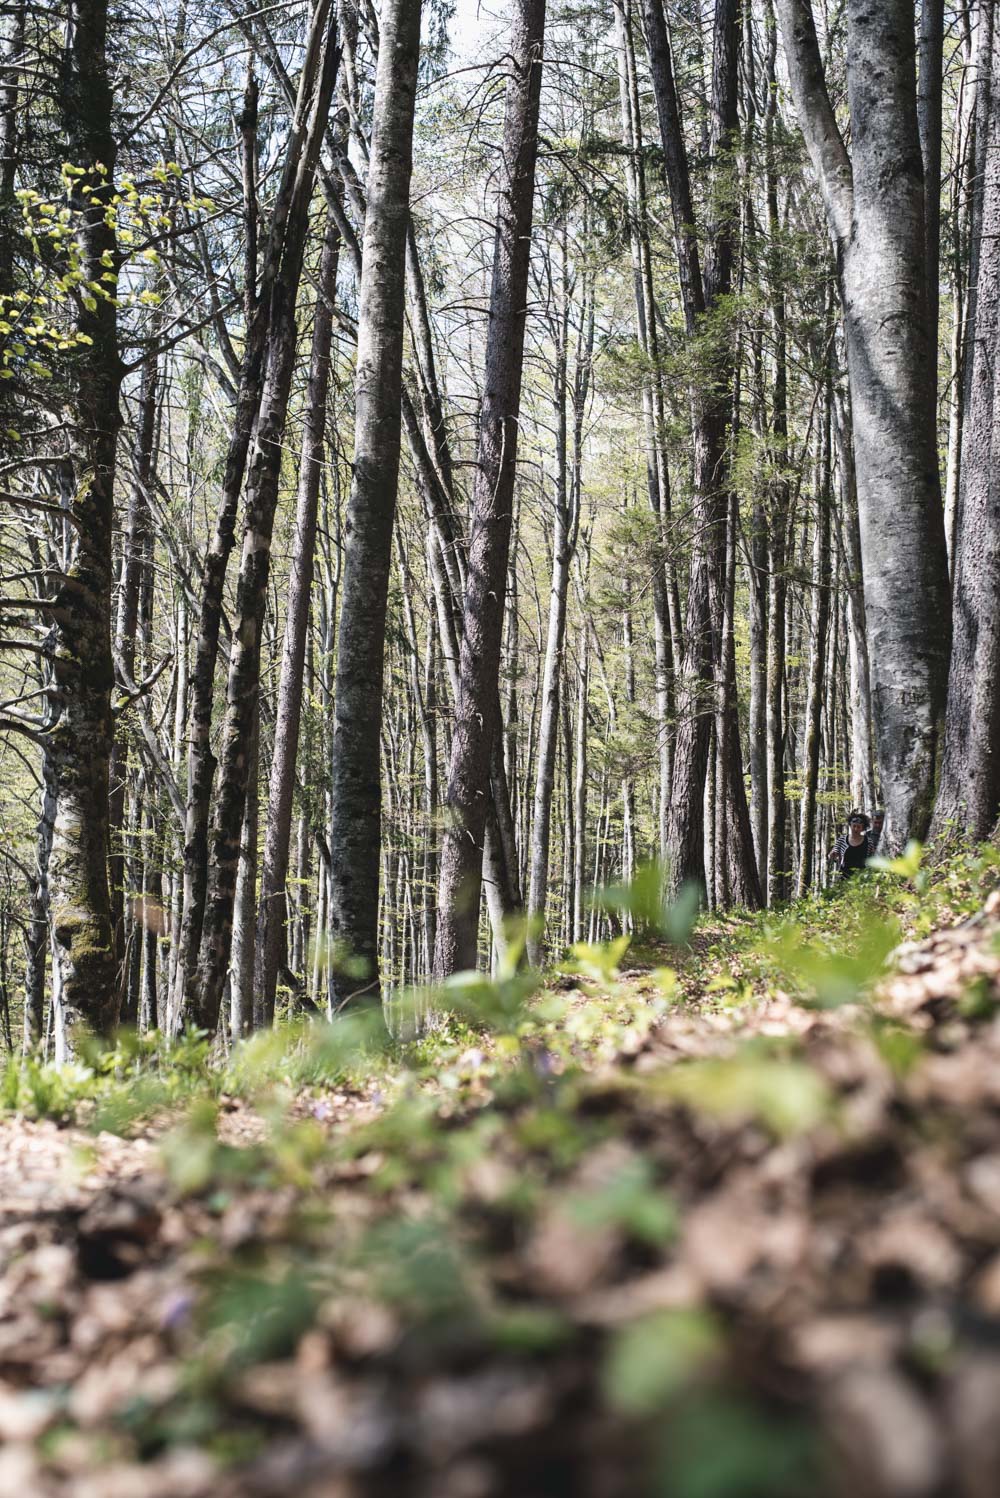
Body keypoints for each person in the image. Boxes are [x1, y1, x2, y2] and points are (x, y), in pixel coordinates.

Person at [827, 811, 875, 879]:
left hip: (862, 877)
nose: (856, 829)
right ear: (850, 825)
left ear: (862, 828)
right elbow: (833, 853)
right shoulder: (842, 840)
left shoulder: (868, 841)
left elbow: (872, 859)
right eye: (854, 826)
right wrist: (832, 855)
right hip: (844, 876)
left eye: (858, 827)